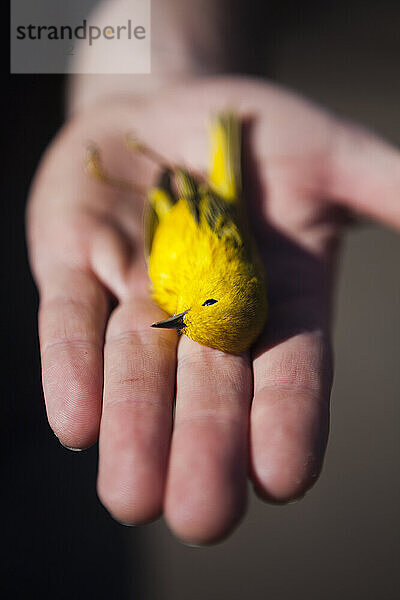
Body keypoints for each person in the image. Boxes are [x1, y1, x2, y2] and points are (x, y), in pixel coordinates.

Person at [26, 0, 400, 544]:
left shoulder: (180, 285)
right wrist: (155, 173)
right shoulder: (186, 271)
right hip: (200, 208)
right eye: (189, 321)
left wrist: (165, 54)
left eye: (185, 324)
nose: (178, 322)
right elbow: (186, 201)